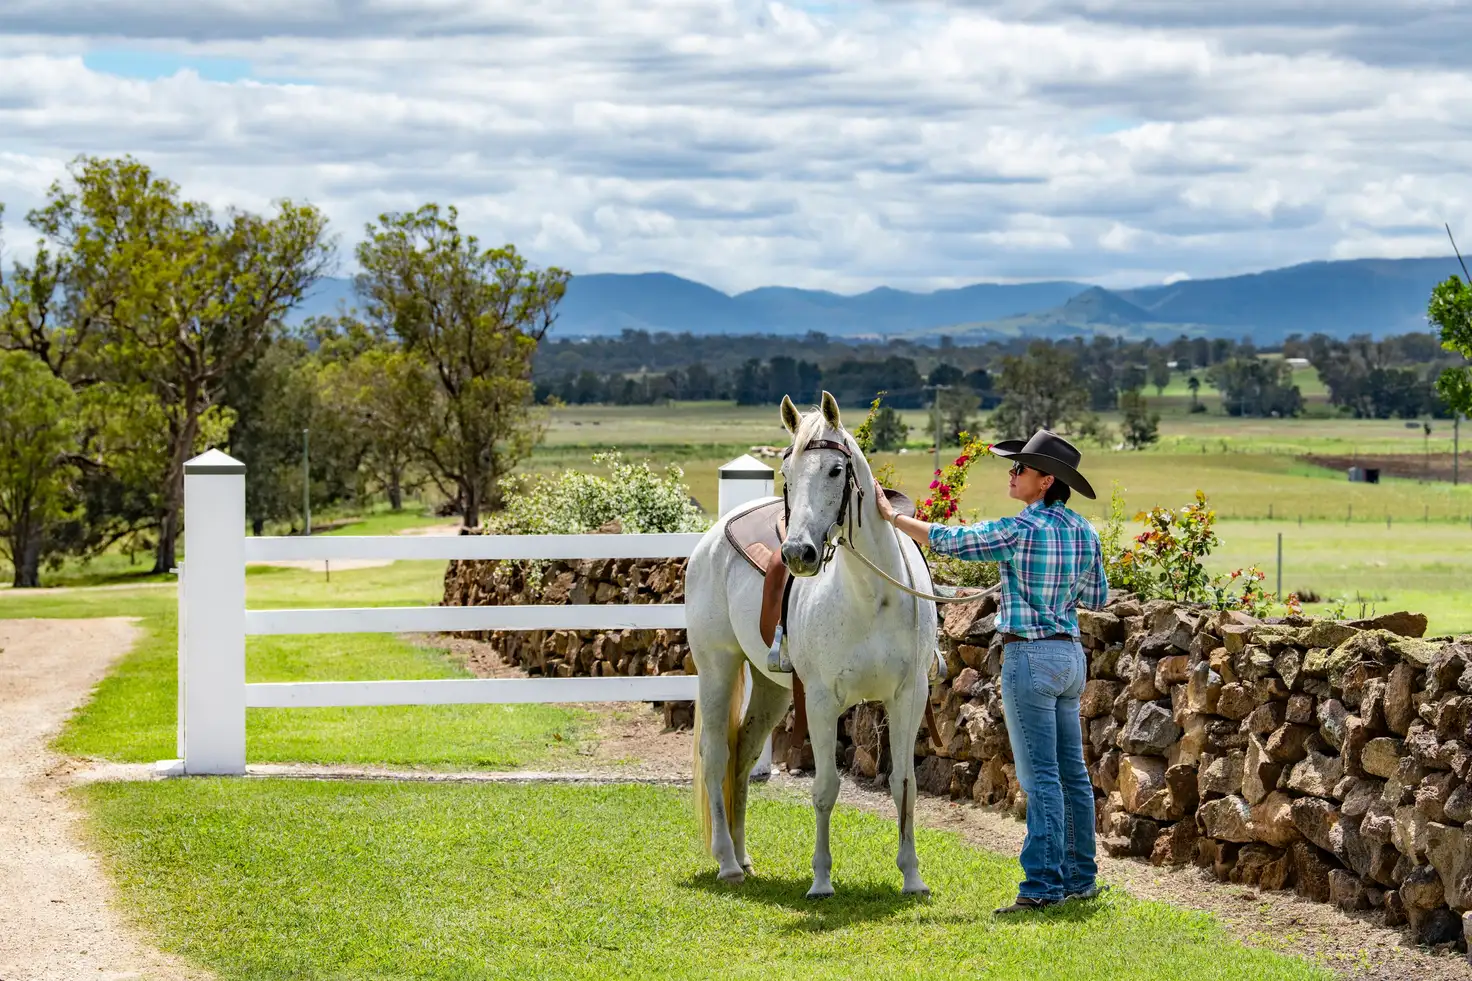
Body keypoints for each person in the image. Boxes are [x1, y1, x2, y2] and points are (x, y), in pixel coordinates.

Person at [875, 429, 1110, 915]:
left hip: (1030, 658)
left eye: (1020, 469)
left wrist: (893, 518)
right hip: (1069, 656)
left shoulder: (1020, 530)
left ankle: (1042, 887)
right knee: (1072, 774)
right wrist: (1051, 596)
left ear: (1045, 481)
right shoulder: (1084, 531)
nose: (1012, 473)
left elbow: (951, 540)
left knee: (1040, 776)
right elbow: (1097, 599)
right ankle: (1080, 877)